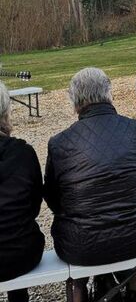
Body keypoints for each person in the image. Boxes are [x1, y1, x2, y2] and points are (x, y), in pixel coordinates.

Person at [44, 68, 136, 302]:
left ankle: (82, 288)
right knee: (103, 223)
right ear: (109, 94)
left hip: (81, 244)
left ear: (74, 102)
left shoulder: (59, 143)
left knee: (90, 225)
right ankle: (127, 281)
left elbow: (53, 197)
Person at [0, 81, 44, 302]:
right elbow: (34, 205)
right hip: (22, 252)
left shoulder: (24, 152)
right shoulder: (24, 153)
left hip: (20, 250)